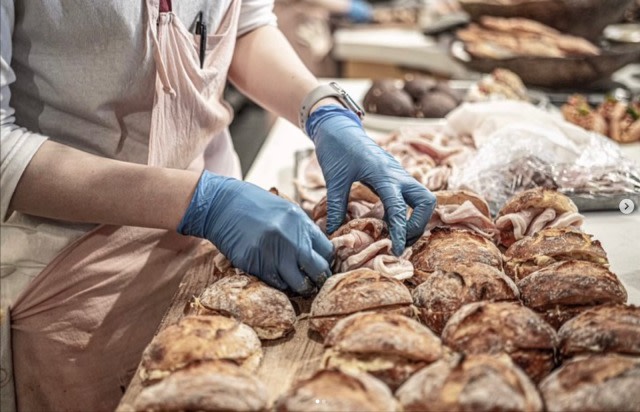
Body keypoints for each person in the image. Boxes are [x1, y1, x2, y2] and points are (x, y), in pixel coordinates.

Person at [0, 1, 435, 411]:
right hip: (72, 281)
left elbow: (242, 25)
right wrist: (201, 202)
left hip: (214, 254)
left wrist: (319, 108)